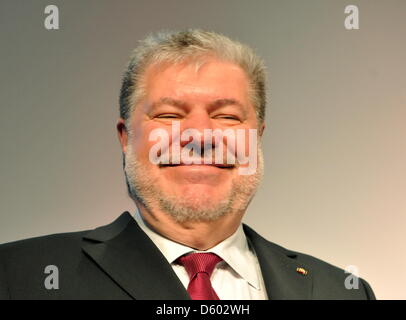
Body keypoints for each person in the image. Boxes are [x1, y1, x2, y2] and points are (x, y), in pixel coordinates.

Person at [0, 29, 375, 300]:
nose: (199, 135)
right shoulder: (17, 277)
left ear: (257, 139)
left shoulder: (341, 292)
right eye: (168, 115)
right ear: (126, 137)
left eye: (227, 117)